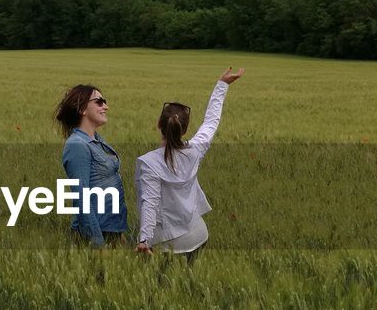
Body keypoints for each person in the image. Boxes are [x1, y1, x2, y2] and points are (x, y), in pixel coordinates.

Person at [134, 67, 244, 261]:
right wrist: (222, 84)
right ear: (184, 130)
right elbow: (211, 122)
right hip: (199, 233)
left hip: (168, 242)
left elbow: (149, 203)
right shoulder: (195, 150)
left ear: (159, 125)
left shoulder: (148, 163)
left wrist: (144, 240)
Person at [56, 84, 128, 248]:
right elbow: (81, 198)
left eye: (105, 101)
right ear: (82, 109)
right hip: (95, 235)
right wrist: (97, 243)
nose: (106, 106)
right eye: (99, 101)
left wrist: (118, 232)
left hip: (111, 232)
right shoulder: (77, 146)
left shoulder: (97, 141)